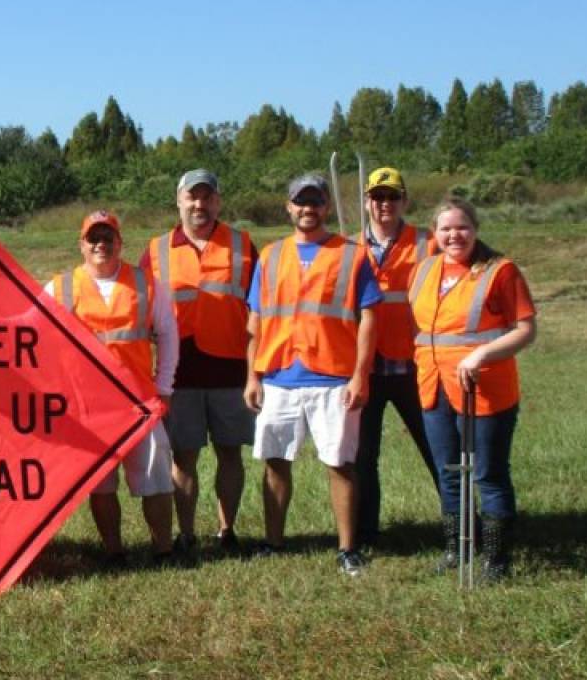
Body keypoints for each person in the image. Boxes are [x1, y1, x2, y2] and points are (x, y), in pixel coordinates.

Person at [244, 174, 381, 577]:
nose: (308, 209)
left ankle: (347, 548)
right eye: (300, 202)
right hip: (279, 376)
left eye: (316, 201)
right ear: (288, 207)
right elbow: (255, 320)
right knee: (274, 462)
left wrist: (360, 376)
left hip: (332, 378)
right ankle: (274, 541)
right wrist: (252, 376)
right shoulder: (270, 256)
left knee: (339, 463)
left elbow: (368, 318)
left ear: (327, 207)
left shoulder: (352, 255)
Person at [409, 197, 536, 581]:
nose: (454, 235)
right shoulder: (425, 269)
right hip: (433, 385)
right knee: (449, 471)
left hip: (485, 387)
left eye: (461, 227)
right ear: (435, 233)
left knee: (488, 474)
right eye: (445, 229)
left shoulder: (501, 271)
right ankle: (458, 547)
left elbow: (526, 330)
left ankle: (496, 560)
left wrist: (482, 355)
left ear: (475, 229)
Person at [45, 210, 180, 566]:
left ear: (120, 242)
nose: (101, 244)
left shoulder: (146, 283)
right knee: (102, 485)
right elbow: (31, 336)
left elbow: (168, 335)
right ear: (82, 244)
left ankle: (163, 549)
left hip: (139, 402)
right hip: (88, 407)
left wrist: (164, 386)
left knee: (156, 478)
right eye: (93, 238)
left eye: (108, 237)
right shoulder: (59, 287)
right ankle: (114, 551)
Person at [139, 169, 257, 558]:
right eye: (192, 197)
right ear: (179, 200)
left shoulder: (242, 245)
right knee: (183, 456)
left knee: (230, 452)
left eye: (207, 197)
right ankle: (186, 534)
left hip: (231, 368)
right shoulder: (156, 250)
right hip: (180, 373)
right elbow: (139, 309)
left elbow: (258, 307)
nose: (199, 204)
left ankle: (228, 530)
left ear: (218, 202)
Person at [354, 167, 439, 547]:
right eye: (377, 197)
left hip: (415, 365)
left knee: (438, 446)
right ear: (367, 202)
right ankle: (366, 532)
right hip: (366, 368)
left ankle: (460, 525)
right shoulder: (348, 247)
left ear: (404, 201)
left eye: (391, 197)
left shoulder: (429, 242)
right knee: (362, 455)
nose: (384, 204)